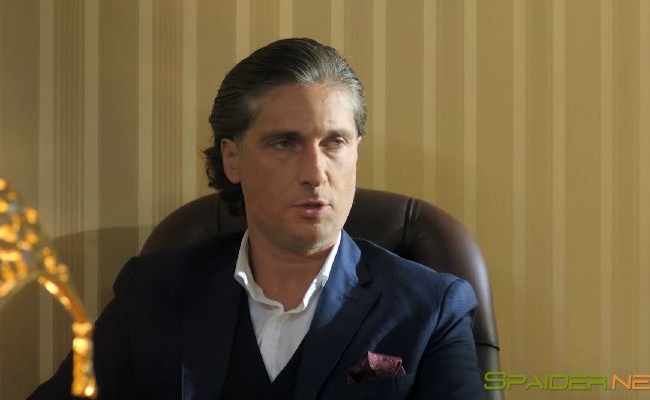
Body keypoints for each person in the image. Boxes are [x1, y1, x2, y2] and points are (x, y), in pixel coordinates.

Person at [31, 38, 484, 399]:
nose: (315, 173)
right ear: (232, 158)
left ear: (356, 151)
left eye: (334, 143)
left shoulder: (431, 308)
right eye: (285, 143)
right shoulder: (151, 293)